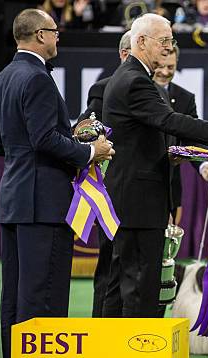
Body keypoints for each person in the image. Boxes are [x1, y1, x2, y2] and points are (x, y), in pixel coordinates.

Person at [101, 13, 208, 318]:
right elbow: (169, 120)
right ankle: (140, 355)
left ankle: (121, 355)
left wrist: (172, 153)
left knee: (127, 281)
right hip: (137, 202)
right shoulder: (134, 80)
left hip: (135, 197)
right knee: (140, 284)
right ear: (140, 42)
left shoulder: (132, 77)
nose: (167, 48)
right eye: (163, 41)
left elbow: (147, 133)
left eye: (170, 41)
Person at [0, 9, 115, 358]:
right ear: (40, 35)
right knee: (44, 296)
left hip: (12, 199)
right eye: (55, 32)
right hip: (43, 203)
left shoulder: (1, 79)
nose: (59, 38)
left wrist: (58, 144)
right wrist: (91, 152)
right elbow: (45, 139)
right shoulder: (38, 79)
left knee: (14, 298)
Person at [74, 30, 131, 318]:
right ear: (124, 53)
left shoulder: (159, 90)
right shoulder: (103, 89)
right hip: (112, 192)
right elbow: (85, 133)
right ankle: (100, 329)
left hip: (144, 192)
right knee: (110, 266)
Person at [152, 45, 208, 225]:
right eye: (160, 66)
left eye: (171, 67)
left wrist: (203, 164)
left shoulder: (185, 98)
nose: (165, 72)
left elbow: (189, 139)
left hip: (170, 188)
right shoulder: (132, 91)